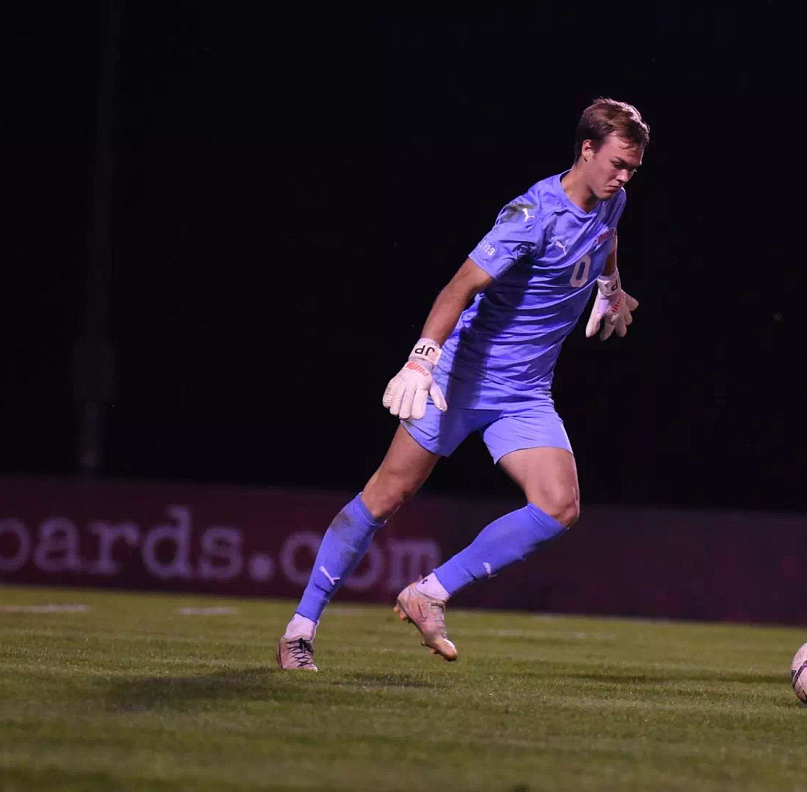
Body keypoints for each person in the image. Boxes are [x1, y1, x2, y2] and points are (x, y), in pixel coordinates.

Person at [278, 98, 649, 670]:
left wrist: (611, 288)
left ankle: (429, 592)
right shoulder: (532, 217)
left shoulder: (612, 200)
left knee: (559, 506)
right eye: (618, 163)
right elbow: (458, 288)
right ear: (586, 149)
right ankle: (300, 629)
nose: (625, 177)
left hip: (524, 393)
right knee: (385, 497)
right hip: (458, 380)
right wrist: (422, 360)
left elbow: (607, 239)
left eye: (633, 168)